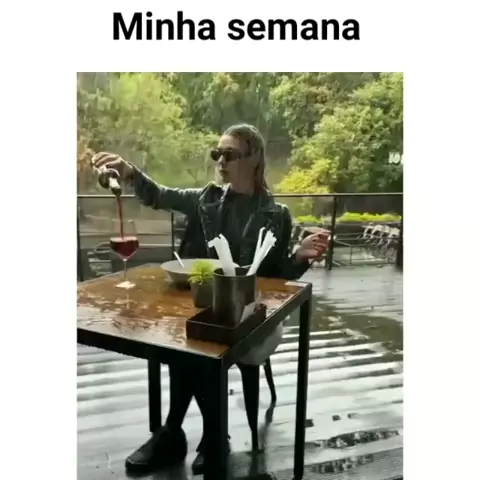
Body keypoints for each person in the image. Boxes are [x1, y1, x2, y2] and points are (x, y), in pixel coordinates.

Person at [91, 124, 329, 475]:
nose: (220, 161)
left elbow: (277, 278)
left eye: (229, 155)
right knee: (188, 335)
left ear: (254, 160)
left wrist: (299, 257)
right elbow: (158, 195)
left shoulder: (277, 215)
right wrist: (129, 172)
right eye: (217, 154)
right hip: (202, 305)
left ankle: (183, 433)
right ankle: (208, 435)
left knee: (198, 342)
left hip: (253, 312)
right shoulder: (205, 198)